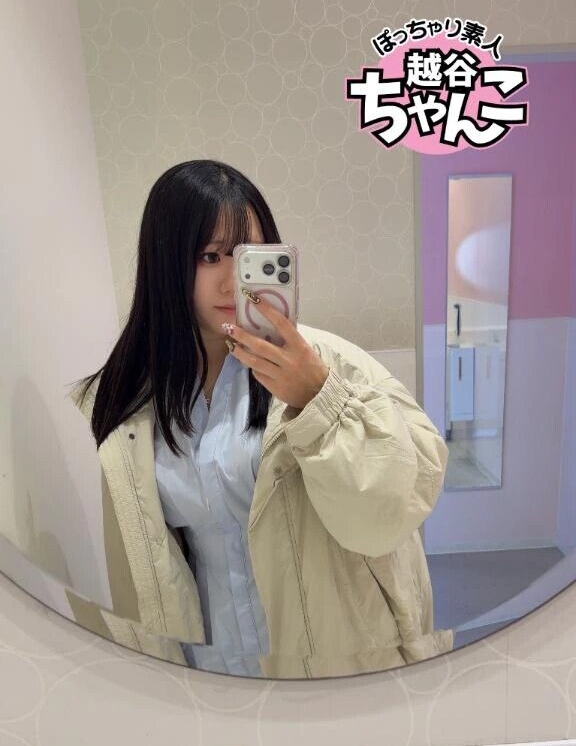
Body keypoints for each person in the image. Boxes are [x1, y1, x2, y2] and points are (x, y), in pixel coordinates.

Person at [67, 159, 453, 679]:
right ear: (166, 263)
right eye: (210, 256)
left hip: (334, 660)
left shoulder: (332, 364)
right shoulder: (133, 403)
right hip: (212, 664)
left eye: (248, 256)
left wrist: (319, 399)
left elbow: (393, 511)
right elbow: (142, 566)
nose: (233, 281)